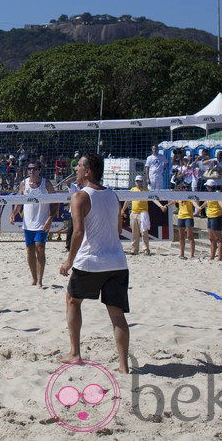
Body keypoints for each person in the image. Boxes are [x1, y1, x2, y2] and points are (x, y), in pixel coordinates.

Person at [60, 153, 130, 374]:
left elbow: (78, 232)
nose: (76, 169)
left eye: (79, 166)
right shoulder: (113, 195)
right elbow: (118, 230)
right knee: (117, 315)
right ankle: (123, 366)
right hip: (117, 261)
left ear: (88, 171)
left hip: (92, 261)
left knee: (72, 301)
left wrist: (68, 261)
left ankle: (75, 353)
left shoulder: (80, 196)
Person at [10, 163, 55, 287]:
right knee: (30, 249)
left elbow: (56, 201)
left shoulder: (46, 184)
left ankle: (40, 280)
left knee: (40, 247)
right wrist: (14, 213)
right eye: (29, 169)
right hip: (28, 222)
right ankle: (34, 278)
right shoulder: (24, 184)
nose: (31, 171)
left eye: (34, 169)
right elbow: (19, 200)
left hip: (42, 222)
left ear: (39, 170)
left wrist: (50, 218)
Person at [120, 176, 151, 256]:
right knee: (134, 233)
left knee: (144, 233)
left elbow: (153, 198)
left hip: (143, 213)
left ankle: (146, 249)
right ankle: (134, 249)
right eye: (137, 181)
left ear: (142, 181)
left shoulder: (146, 190)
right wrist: (123, 210)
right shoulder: (132, 190)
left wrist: (160, 206)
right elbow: (127, 201)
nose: (138, 182)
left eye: (139, 181)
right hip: (134, 213)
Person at [197, 180, 222, 261]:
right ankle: (212, 256)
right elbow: (206, 202)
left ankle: (219, 257)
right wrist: (200, 208)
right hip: (209, 216)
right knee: (211, 238)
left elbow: (220, 202)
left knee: (218, 238)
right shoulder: (209, 194)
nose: (206, 187)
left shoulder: (216, 193)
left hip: (216, 216)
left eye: (207, 186)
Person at [171, 188, 197, 259]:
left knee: (190, 236)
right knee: (181, 237)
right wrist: (166, 206)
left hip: (188, 217)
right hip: (181, 217)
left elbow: (194, 203)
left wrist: (198, 208)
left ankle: (192, 255)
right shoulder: (179, 197)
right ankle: (181, 254)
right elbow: (173, 202)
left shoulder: (189, 197)